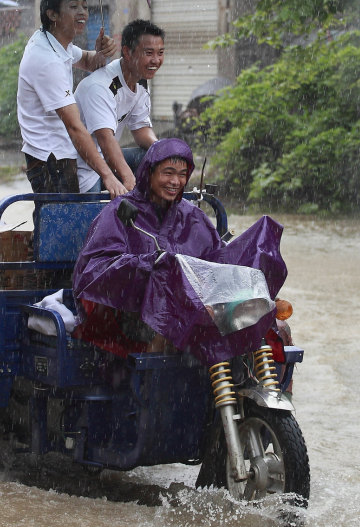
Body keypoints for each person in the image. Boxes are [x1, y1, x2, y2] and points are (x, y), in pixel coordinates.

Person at [72, 138, 288, 361]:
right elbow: (94, 270)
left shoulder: (194, 217)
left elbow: (216, 265)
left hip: (196, 314)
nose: (175, 181)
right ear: (149, 172)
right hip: (135, 314)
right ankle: (152, 381)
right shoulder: (120, 212)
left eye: (182, 174)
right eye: (168, 172)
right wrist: (149, 265)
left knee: (271, 325)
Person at [17, 0, 127, 195]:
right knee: (61, 222)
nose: (83, 12)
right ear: (52, 15)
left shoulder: (57, 42)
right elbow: (75, 127)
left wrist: (102, 53)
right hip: (50, 160)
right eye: (73, 6)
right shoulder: (47, 59)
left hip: (58, 153)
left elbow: (88, 61)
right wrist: (108, 176)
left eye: (85, 6)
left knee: (58, 221)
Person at [73, 19, 164, 193]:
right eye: (149, 53)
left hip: (108, 158)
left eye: (160, 53)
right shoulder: (101, 86)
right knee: (94, 215)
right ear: (127, 53)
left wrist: (162, 150)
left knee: (154, 159)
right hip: (84, 163)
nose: (156, 60)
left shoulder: (140, 83)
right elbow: (105, 139)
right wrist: (129, 178)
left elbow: (141, 128)